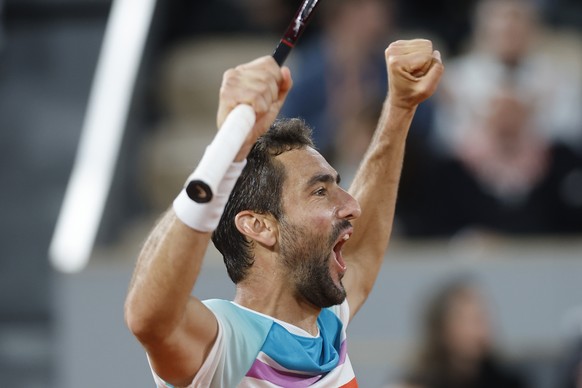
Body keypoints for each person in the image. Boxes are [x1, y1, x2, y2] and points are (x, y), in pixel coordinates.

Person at [124, 39, 443, 387]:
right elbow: (149, 318)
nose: (352, 205)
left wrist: (400, 107)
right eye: (320, 191)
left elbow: (364, 250)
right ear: (260, 226)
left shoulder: (327, 327)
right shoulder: (228, 342)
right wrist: (227, 151)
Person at [391, 279, 529, 388]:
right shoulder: (415, 383)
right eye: (469, 321)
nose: (479, 331)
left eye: (482, 319)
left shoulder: (508, 382)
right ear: (442, 329)